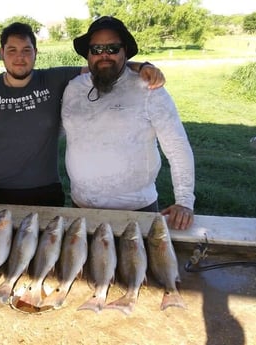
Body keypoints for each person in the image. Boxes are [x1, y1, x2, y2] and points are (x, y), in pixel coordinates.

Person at [0, 22, 165, 208]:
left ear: (36, 53)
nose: (19, 57)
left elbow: (102, 65)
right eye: (12, 50)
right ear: (1, 52)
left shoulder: (53, 79)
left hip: (45, 192)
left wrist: (143, 66)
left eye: (26, 50)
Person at [61, 16, 195, 230]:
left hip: (136, 212)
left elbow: (177, 146)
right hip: (81, 208)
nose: (104, 54)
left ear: (125, 51)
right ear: (88, 53)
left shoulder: (148, 88)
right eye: (96, 49)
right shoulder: (72, 88)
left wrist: (184, 201)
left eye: (113, 48)